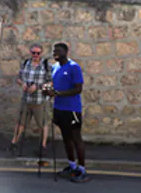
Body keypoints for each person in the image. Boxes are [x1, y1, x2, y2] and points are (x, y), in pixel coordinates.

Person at [46, 42, 89, 183]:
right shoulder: (55, 67)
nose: (55, 54)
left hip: (72, 109)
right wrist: (48, 89)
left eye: (58, 51)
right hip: (59, 109)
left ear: (66, 52)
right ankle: (72, 166)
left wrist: (58, 93)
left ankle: (82, 170)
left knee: (76, 139)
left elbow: (78, 89)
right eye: (54, 51)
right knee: (66, 139)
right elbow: (54, 85)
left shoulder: (73, 67)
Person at [9, 43, 51, 153]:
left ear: (41, 53)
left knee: (42, 124)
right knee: (21, 123)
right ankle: (14, 143)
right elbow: (18, 78)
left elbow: (51, 83)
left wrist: (37, 87)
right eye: (33, 52)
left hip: (40, 100)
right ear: (30, 52)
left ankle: (43, 146)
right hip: (26, 99)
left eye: (38, 53)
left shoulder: (46, 65)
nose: (35, 55)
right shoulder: (26, 63)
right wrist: (22, 84)